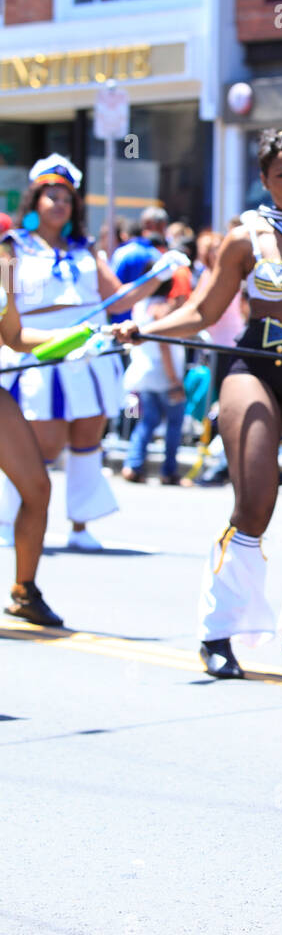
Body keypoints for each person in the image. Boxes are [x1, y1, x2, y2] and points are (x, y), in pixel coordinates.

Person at [117, 126, 282, 679]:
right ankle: (218, 633)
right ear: (265, 180)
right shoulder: (245, 237)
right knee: (255, 502)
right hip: (250, 368)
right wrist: (145, 327)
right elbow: (206, 312)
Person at [0, 155, 167, 552]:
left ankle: (80, 525)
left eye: (66, 199)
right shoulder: (12, 247)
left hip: (88, 352)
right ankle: (8, 516)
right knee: (43, 444)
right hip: (38, 351)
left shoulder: (86, 248)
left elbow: (118, 299)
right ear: (35, 200)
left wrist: (160, 274)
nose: (59, 204)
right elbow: (7, 312)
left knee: (88, 438)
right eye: (51, 196)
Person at [0, 280, 70, 625]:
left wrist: (79, 335)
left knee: (37, 488)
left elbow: (13, 335)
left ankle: (24, 590)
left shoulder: (4, 265)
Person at [120, 280, 188, 485]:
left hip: (146, 374)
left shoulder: (141, 305)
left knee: (148, 422)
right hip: (164, 376)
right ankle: (168, 471)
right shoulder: (162, 309)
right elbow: (164, 346)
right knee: (174, 424)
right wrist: (174, 381)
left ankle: (133, 465)